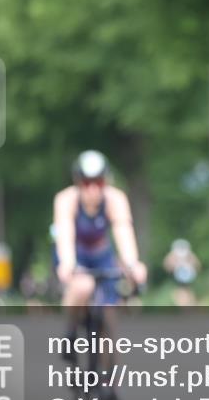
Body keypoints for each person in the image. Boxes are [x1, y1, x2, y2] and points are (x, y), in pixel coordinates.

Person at [53, 151, 147, 378]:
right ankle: (70, 333)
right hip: (76, 255)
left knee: (109, 319)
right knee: (82, 286)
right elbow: (65, 233)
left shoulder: (115, 199)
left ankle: (110, 382)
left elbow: (123, 231)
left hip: (102, 255)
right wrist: (67, 263)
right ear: (78, 182)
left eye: (98, 182)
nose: (93, 189)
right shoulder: (66, 200)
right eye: (86, 183)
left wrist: (133, 263)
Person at [163, 238, 201, 306]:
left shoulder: (189, 255)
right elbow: (167, 265)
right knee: (181, 291)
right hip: (178, 277)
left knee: (185, 291)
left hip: (186, 277)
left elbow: (197, 265)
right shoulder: (173, 255)